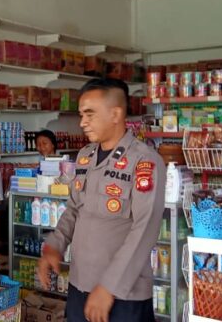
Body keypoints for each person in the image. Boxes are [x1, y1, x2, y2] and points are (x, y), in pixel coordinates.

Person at [38, 78, 166, 322]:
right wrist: (54, 245)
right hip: (80, 284)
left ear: (115, 114)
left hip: (123, 295)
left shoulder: (144, 161)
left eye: (90, 114)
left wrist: (109, 287)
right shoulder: (86, 156)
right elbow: (74, 209)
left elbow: (145, 229)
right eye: (81, 115)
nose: (82, 122)